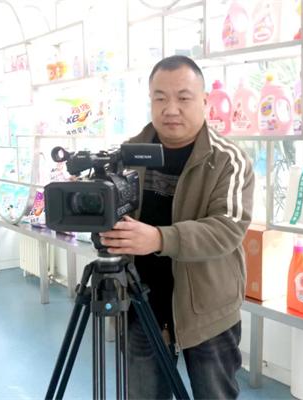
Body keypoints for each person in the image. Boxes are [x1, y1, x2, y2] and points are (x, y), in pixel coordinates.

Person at [98, 55, 254, 399]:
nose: (171, 109)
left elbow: (227, 228)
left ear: (204, 101)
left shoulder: (227, 159)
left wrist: (158, 238)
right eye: (160, 98)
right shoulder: (127, 154)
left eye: (183, 98)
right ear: (150, 100)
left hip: (207, 311)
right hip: (140, 305)